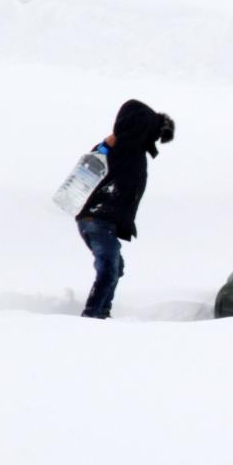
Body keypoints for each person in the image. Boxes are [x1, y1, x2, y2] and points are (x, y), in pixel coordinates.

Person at [76, 100, 175, 319]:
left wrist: (162, 125)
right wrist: (107, 143)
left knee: (115, 267)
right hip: (96, 218)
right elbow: (135, 116)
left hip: (104, 220)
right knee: (109, 267)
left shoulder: (133, 150)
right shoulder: (118, 147)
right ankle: (91, 317)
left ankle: (102, 313)